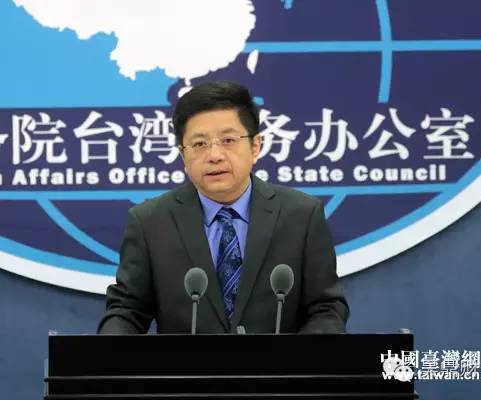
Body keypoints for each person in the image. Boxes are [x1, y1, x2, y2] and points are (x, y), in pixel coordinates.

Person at [98, 81, 349, 334]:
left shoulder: (301, 215)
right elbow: (126, 311)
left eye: (228, 140)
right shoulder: (150, 223)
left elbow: (325, 308)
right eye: (199, 144)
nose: (214, 155)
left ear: (255, 146)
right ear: (183, 155)